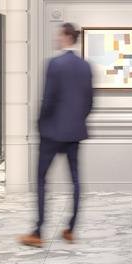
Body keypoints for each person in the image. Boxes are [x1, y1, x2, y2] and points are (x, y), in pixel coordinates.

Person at [20, 23, 93, 248]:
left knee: (42, 180)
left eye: (59, 35)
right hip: (75, 131)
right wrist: (78, 120)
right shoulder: (85, 66)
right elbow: (90, 102)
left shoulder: (54, 64)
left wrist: (40, 123)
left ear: (66, 36)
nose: (56, 38)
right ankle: (71, 229)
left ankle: (38, 231)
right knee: (75, 180)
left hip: (52, 132)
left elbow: (48, 99)